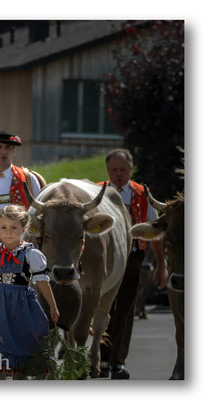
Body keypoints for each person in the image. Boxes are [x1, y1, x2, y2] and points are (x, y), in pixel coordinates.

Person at [98, 148, 167, 379]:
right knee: (103, 307)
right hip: (104, 259)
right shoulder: (98, 191)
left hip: (132, 257)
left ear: (131, 169)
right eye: (114, 170)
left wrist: (161, 265)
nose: (118, 174)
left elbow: (155, 230)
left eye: (123, 170)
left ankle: (117, 361)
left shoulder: (141, 193)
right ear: (108, 170)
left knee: (126, 309)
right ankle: (101, 359)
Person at [0, 205, 59, 379]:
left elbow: (42, 281)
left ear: (24, 229)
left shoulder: (30, 253)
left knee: (21, 346)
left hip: (22, 307)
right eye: (3, 227)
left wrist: (53, 306)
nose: (8, 232)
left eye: (14, 228)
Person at [0, 131, 42, 211]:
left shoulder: (28, 178)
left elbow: (38, 209)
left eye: (8, 147)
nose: (3, 152)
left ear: (14, 151)